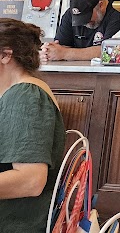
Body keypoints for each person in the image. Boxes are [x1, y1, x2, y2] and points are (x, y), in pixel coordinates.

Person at [0, 19, 66, 233]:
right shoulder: (18, 92)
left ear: (5, 55)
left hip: (16, 221)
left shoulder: (25, 96)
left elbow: (31, 180)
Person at [40, 0, 120, 62]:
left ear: (101, 5)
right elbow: (60, 46)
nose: (84, 23)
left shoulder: (119, 13)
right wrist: (49, 51)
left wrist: (64, 53)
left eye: (87, 17)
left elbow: (110, 52)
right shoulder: (70, 15)